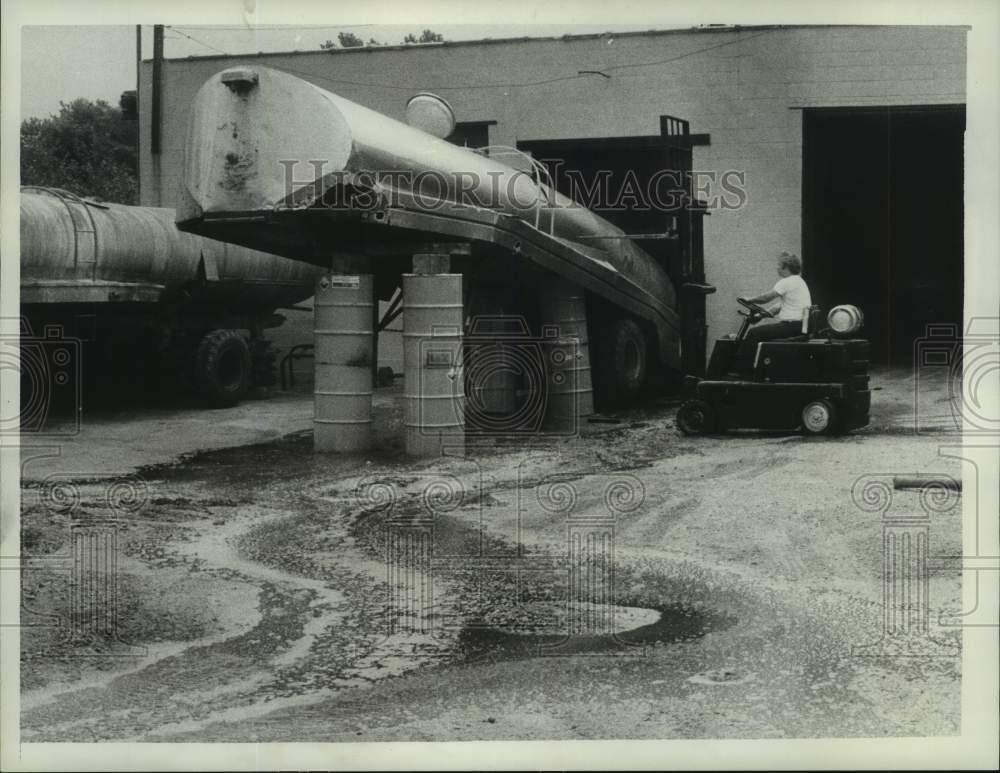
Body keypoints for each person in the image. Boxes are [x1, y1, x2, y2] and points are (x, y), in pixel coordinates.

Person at [735, 252, 812, 371]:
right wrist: (762, 314)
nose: (776, 267)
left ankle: (742, 370)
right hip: (798, 326)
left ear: (785, 267)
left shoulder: (787, 281)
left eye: (778, 265)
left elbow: (766, 298)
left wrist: (750, 299)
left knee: (753, 333)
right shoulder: (799, 281)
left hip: (791, 326)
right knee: (759, 332)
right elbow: (779, 306)